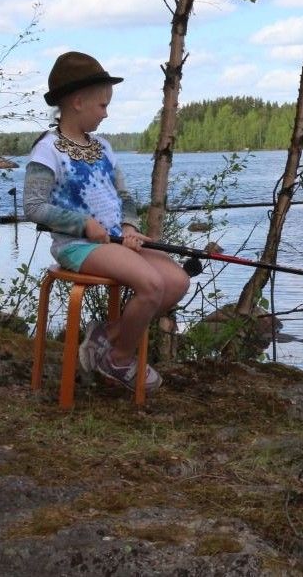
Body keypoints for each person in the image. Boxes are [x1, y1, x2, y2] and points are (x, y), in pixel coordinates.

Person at [23, 51, 190, 393]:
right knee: (151, 284)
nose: (107, 113)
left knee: (175, 281)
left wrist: (128, 226)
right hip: (78, 246)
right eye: (102, 105)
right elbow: (34, 206)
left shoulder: (104, 147)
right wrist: (82, 223)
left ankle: (105, 336)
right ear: (78, 102)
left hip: (115, 241)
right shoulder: (48, 150)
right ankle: (118, 357)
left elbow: (124, 197)